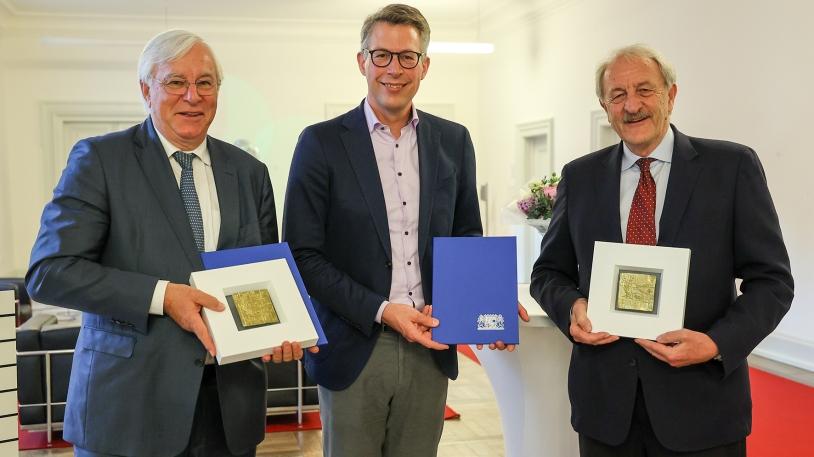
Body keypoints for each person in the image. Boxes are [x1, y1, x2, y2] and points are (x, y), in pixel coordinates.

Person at [26, 29, 304, 457]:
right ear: (146, 89)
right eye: (176, 82)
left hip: (229, 412)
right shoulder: (101, 160)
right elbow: (50, 272)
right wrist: (162, 296)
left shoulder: (250, 172)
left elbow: (261, 277)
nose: (192, 95)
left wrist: (278, 333)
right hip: (129, 409)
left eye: (205, 83)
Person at [283, 4, 523, 456]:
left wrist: (484, 298)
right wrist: (382, 309)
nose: (394, 69)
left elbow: (466, 235)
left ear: (425, 66)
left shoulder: (453, 140)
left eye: (407, 57)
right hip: (355, 346)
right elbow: (303, 255)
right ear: (362, 62)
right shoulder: (321, 143)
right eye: (381, 56)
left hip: (431, 342)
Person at [530, 44, 794, 456]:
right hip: (605, 412)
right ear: (605, 105)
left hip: (703, 409)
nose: (631, 105)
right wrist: (572, 308)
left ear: (670, 96)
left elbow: (772, 282)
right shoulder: (580, 177)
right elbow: (548, 273)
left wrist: (715, 343)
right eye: (617, 95)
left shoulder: (731, 168)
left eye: (644, 90)